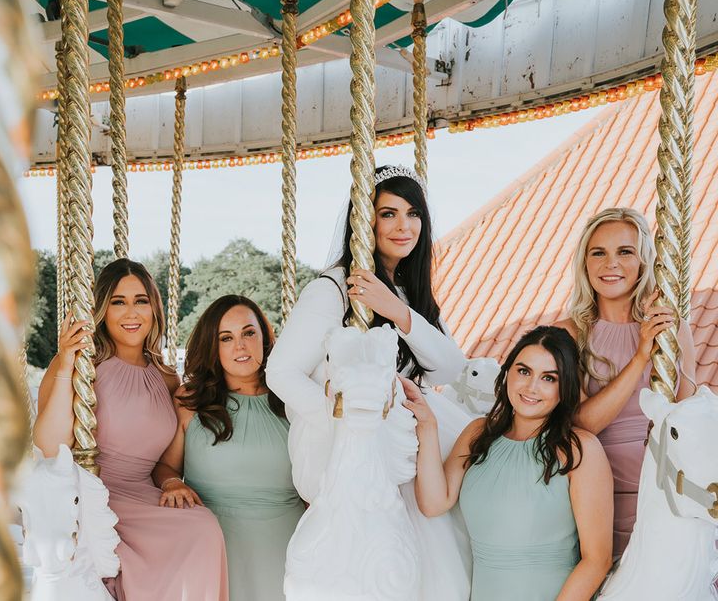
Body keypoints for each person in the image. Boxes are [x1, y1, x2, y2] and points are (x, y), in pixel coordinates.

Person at [266, 164, 474, 599]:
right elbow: (281, 372)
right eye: (388, 213)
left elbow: (449, 367)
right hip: (355, 451)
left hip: (405, 451)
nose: (404, 225)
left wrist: (399, 312)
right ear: (365, 220)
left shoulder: (408, 293)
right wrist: (348, 424)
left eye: (413, 213)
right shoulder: (334, 289)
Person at [33, 259, 228, 601]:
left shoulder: (167, 378)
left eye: (140, 300)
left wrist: (170, 481)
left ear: (153, 308)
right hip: (95, 491)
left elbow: (167, 461)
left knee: (203, 527)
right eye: (118, 302)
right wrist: (65, 361)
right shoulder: (83, 364)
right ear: (103, 310)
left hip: (143, 494)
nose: (131, 312)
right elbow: (49, 446)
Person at [407, 325, 613, 601]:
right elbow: (434, 503)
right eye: (524, 371)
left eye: (549, 378)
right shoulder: (478, 433)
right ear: (508, 373)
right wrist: (427, 425)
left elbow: (597, 560)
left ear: (565, 387)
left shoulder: (579, 450)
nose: (531, 387)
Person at [555, 207, 697, 557]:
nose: (610, 263)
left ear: (644, 262)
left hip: (666, 479)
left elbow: (688, 415)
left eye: (625, 251)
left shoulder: (673, 328)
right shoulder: (569, 336)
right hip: (603, 485)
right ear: (584, 263)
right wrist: (640, 358)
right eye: (598, 252)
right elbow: (582, 424)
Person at [153, 295, 304, 601]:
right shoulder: (190, 401)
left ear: (264, 337)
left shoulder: (293, 400)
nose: (240, 346)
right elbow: (165, 467)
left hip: (287, 545)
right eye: (226, 337)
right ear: (213, 346)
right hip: (211, 543)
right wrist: (170, 483)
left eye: (249, 333)